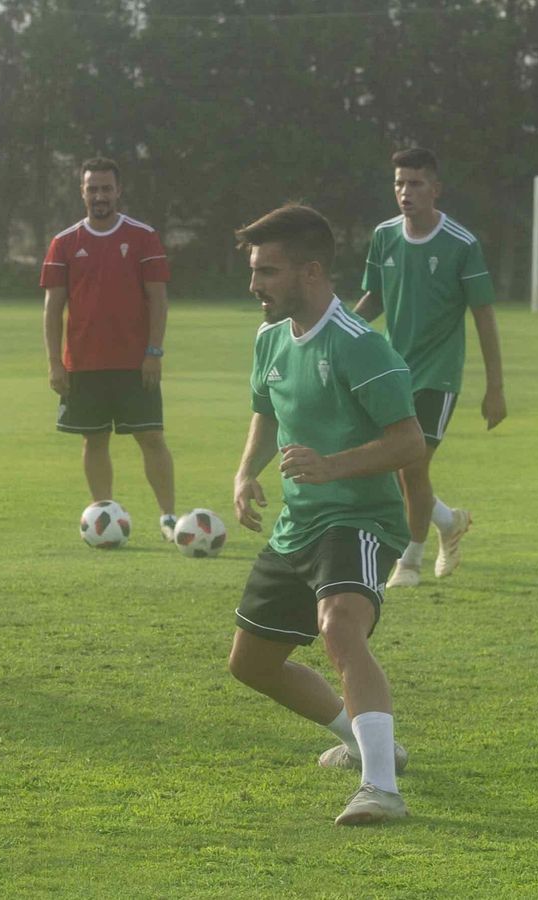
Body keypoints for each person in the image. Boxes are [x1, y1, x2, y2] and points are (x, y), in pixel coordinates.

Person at [226, 204, 424, 825]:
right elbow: (267, 409)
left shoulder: (361, 347)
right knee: (251, 664)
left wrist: (331, 466)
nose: (254, 283)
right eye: (255, 270)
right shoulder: (269, 338)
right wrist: (245, 471)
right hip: (299, 524)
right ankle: (363, 739)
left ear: (311, 272)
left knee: (339, 626)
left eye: (267, 271)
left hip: (361, 520)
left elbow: (410, 442)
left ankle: (382, 788)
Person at [354, 147, 507, 588]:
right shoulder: (384, 236)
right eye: (399, 183)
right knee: (392, 466)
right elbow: (375, 298)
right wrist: (337, 326)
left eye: (416, 183)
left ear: (435, 189)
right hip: (391, 371)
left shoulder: (461, 244)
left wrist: (495, 387)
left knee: (412, 467)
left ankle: (410, 561)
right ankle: (447, 521)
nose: (405, 192)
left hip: (438, 374)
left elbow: (483, 315)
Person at [41, 157, 178, 539]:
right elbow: (53, 307)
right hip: (83, 364)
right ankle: (104, 515)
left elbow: (158, 299)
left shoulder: (143, 237)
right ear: (82, 192)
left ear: (118, 191)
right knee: (94, 439)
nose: (99, 195)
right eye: (92, 188)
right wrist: (55, 362)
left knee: (151, 437)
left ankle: (168, 518)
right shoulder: (64, 242)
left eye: (106, 188)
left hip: (136, 364)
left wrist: (154, 352)